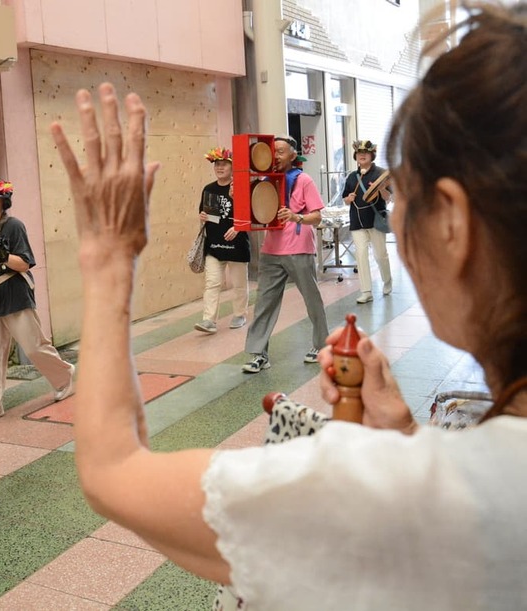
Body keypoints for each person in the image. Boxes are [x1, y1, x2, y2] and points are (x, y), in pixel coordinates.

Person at [49, 1, 527, 608]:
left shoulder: (412, 499)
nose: (397, 213)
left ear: (454, 225)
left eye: (403, 194)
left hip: (297, 248)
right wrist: (407, 432)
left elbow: (112, 471)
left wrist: (108, 261)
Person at [0, 174, 76, 421]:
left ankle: (64, 376)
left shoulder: (13, 225)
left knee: (34, 345)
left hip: (14, 292)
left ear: (3, 200)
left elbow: (24, 263)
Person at [240, 135, 329, 373]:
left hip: (299, 248)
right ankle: (259, 354)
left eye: (280, 151)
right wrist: (235, 192)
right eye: (273, 151)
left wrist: (296, 216)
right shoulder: (266, 181)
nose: (276, 156)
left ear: (293, 155)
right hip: (271, 250)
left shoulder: (304, 180)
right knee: (264, 303)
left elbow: (317, 216)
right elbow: (251, 210)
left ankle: (322, 345)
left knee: (312, 300)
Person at [194, 148, 250, 334]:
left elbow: (251, 215)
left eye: (224, 164)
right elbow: (208, 214)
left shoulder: (240, 187)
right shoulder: (208, 189)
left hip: (237, 244)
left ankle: (240, 314)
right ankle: (208, 320)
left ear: (232, 167)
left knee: (239, 284)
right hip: (214, 245)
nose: (219, 167)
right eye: (217, 164)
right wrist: (203, 216)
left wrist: (238, 228)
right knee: (212, 283)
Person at [343, 140, 393, 304]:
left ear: (372, 155)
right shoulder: (352, 177)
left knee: (380, 255)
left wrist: (382, 189)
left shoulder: (382, 174)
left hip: (375, 219)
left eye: (365, 153)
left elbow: (389, 198)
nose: (362, 155)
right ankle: (366, 291)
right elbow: (345, 199)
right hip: (357, 221)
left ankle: (387, 281)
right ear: (355, 157)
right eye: (359, 153)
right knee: (361, 255)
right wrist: (348, 199)